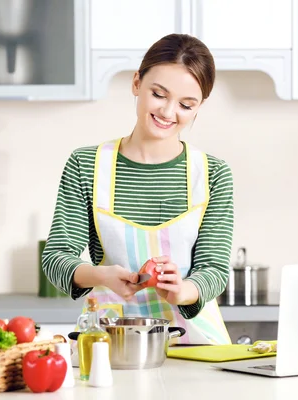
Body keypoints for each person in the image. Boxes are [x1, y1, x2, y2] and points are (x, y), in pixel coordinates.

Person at [42, 33, 234, 345]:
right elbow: (56, 258)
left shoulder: (213, 174)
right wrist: (102, 275)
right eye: (159, 94)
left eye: (186, 104)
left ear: (199, 107)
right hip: (113, 342)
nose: (169, 113)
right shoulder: (86, 165)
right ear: (136, 83)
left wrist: (182, 290)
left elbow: (214, 270)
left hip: (195, 344)